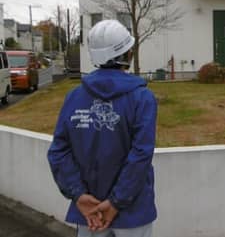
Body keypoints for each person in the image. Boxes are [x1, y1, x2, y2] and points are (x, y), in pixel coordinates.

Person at [47, 19, 157, 237]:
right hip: (133, 213)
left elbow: (58, 151)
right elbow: (141, 155)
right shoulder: (142, 97)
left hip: (90, 213)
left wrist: (78, 195)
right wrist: (116, 202)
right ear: (126, 54)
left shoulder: (75, 97)